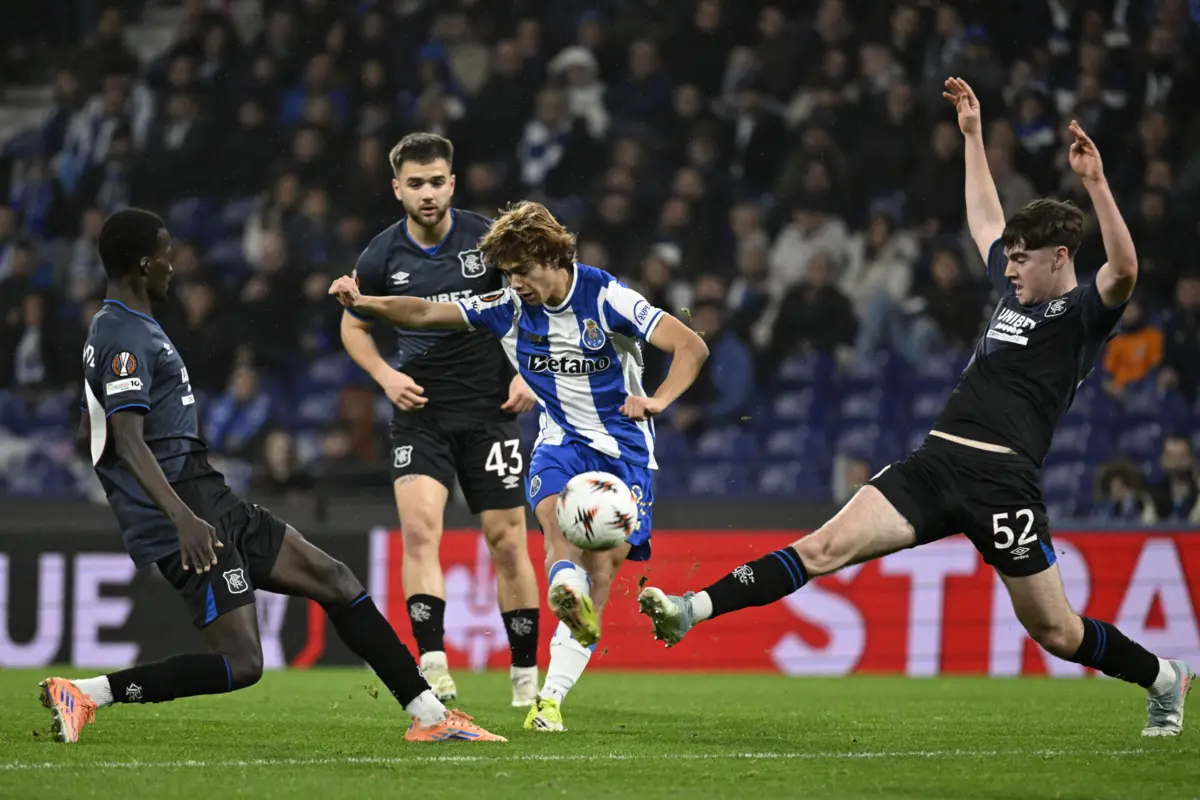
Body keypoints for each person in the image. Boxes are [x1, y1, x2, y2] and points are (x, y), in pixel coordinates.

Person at [637, 77, 1195, 737]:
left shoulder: (1081, 313)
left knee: (1056, 630)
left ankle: (1164, 678)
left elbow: (1125, 268)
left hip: (1003, 482)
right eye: (1007, 261)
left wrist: (1098, 185)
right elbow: (985, 219)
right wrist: (972, 138)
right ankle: (689, 610)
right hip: (935, 463)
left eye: (1021, 260)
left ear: (1060, 258)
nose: (1008, 269)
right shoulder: (1015, 295)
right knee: (822, 548)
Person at [41, 208, 504, 745]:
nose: (173, 264)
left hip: (207, 494)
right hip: (185, 512)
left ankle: (429, 716)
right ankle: (90, 693)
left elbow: (88, 431)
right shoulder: (123, 332)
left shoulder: (125, 327)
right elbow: (125, 440)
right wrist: (181, 520)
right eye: (166, 254)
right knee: (242, 663)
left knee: (336, 580)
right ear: (144, 263)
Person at [329, 201, 709, 732]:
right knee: (557, 522)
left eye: (522, 271)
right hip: (560, 441)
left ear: (553, 257)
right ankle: (562, 583)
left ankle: (549, 699)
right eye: (507, 273)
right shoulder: (505, 305)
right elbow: (422, 313)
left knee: (603, 570)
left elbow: (690, 345)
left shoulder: (607, 297)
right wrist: (366, 302)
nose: (516, 283)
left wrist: (660, 401)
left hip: (624, 451)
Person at [340, 132, 542, 706]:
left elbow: (533, 304)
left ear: (452, 183)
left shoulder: (488, 240)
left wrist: (529, 373)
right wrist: (385, 377)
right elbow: (355, 324)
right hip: (421, 415)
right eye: (416, 184)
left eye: (437, 182)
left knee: (507, 542)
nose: (428, 194)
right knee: (422, 532)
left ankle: (526, 681)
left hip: (490, 412)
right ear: (398, 188)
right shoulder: (380, 255)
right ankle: (433, 665)